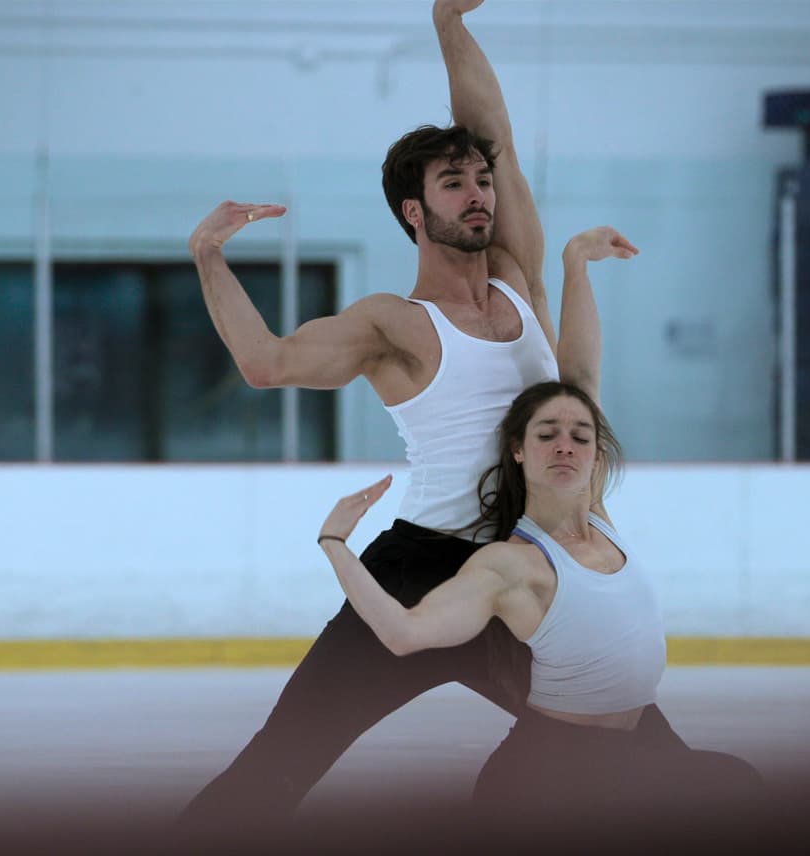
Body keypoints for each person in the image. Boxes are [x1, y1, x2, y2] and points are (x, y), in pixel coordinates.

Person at [177, 0, 688, 827]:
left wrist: (450, 26)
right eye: (455, 184)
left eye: (481, 181)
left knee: (648, 753)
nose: (479, 194)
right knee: (278, 764)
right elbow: (266, 363)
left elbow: (496, 135)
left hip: (522, 571)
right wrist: (208, 257)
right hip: (418, 569)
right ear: (414, 212)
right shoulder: (394, 324)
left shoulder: (519, 278)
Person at [313, 227, 763, 822]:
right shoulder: (510, 564)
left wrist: (577, 264)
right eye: (547, 435)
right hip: (547, 777)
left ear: (597, 454)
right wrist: (335, 545)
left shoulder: (598, 521)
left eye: (580, 436)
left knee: (736, 784)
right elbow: (403, 634)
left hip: (620, 760)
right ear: (519, 451)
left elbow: (583, 376)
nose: (565, 445)